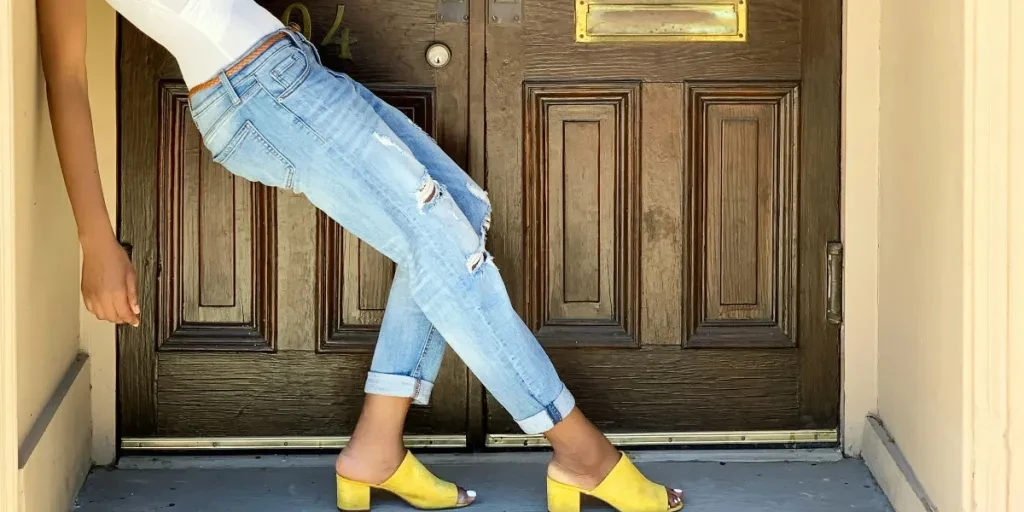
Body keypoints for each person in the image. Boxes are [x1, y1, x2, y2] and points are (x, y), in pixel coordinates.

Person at [37, 1, 685, 510]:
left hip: (288, 72)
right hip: (259, 92)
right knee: (444, 244)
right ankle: (580, 450)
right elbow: (65, 77)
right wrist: (95, 239)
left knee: (461, 207)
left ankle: (376, 446)